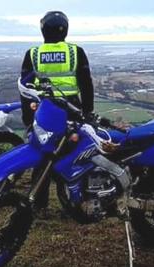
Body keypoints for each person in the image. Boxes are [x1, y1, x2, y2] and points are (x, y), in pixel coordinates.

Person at [19, 11, 96, 212]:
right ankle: (75, 202)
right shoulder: (75, 52)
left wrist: (27, 117)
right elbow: (86, 84)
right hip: (72, 109)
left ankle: (38, 204)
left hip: (44, 110)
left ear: (43, 29)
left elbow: (24, 88)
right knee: (78, 155)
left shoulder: (33, 54)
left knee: (43, 154)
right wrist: (88, 113)